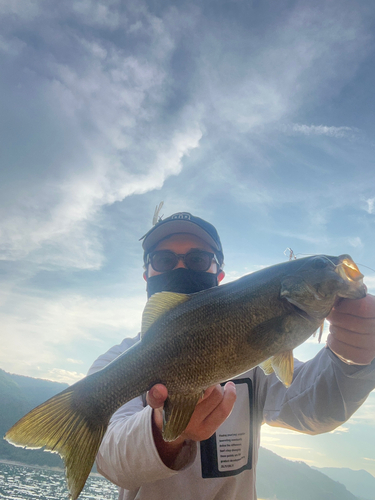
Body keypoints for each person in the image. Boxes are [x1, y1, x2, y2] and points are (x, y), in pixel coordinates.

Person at [88, 212, 375, 500]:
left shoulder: (253, 362)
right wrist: (165, 431)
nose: (180, 268)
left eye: (197, 259)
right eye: (164, 260)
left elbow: (314, 408)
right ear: (146, 275)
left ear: (219, 274)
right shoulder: (115, 364)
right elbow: (111, 460)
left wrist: (354, 357)